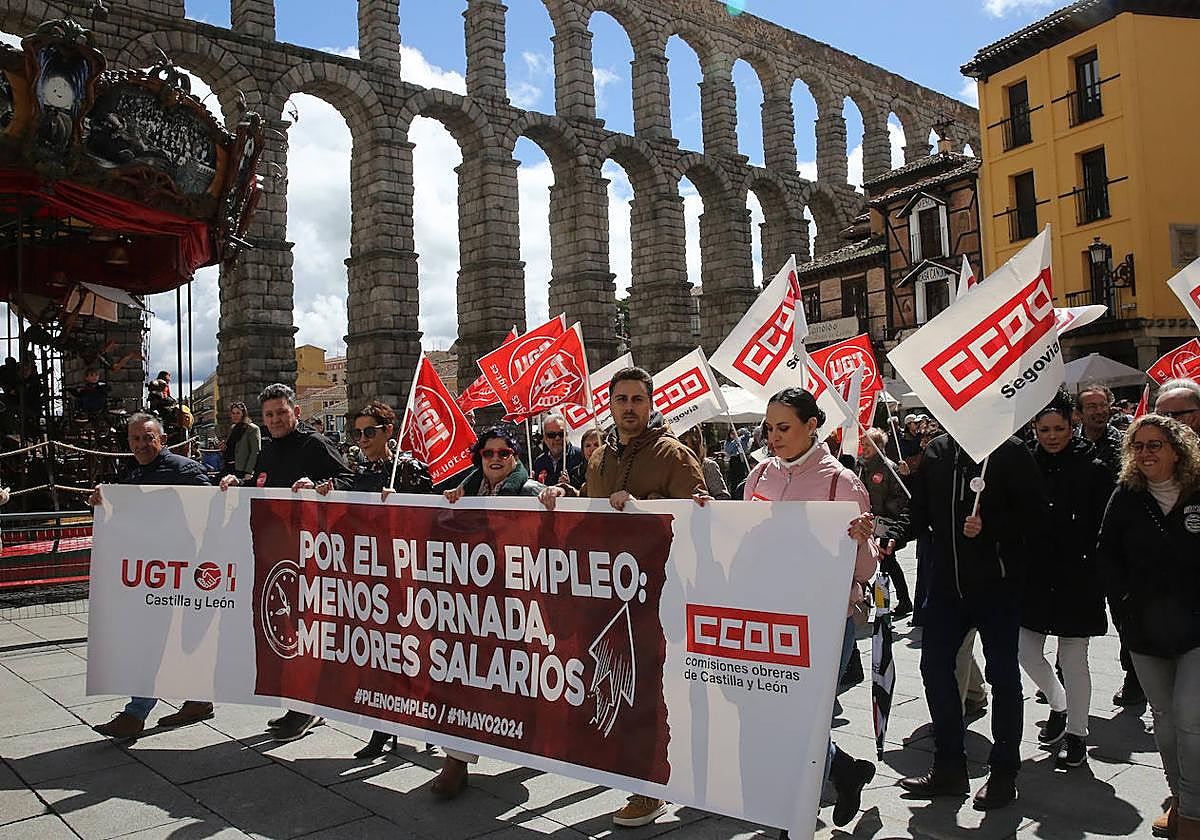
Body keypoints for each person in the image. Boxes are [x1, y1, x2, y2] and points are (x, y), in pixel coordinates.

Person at [540, 366, 705, 828]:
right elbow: (592, 505)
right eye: (621, 399)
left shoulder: (673, 455)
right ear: (610, 405)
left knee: (649, 694)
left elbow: (701, 517)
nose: (629, 407)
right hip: (611, 598)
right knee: (623, 690)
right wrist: (562, 492)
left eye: (637, 399)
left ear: (651, 405)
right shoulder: (599, 457)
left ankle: (649, 789)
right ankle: (639, 774)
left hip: (659, 596)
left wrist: (641, 506)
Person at [741, 388, 879, 831]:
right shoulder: (759, 475)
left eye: (784, 427)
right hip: (771, 614)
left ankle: (793, 819)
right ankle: (844, 771)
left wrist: (861, 539)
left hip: (825, 620)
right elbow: (743, 538)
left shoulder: (841, 481)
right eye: (769, 428)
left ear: (811, 425)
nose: (774, 436)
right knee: (782, 718)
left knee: (804, 719)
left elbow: (867, 566)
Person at [897, 429, 1048, 809]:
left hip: (998, 586)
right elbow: (918, 513)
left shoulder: (1010, 452)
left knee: (1003, 678)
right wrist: (890, 536)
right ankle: (949, 765)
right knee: (934, 668)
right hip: (948, 586)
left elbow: (1037, 518)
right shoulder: (937, 451)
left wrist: (991, 526)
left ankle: (1003, 772)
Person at [218, 383, 355, 741]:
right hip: (279, 556)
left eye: (282, 412)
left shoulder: (315, 444)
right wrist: (237, 483)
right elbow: (263, 490)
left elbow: (350, 479)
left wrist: (323, 484)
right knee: (289, 634)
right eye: (269, 414)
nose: (276, 419)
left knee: (308, 633)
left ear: (296, 412)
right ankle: (301, 702)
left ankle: (306, 708)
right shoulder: (267, 450)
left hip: (313, 555)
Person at [308, 400, 433, 759]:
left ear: (388, 431)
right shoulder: (358, 470)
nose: (362, 439)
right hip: (373, 576)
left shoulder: (410, 470)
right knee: (380, 654)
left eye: (369, 432)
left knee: (414, 651)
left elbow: (432, 516)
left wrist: (403, 501)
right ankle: (382, 727)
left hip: (409, 573)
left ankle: (427, 722)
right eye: (357, 433)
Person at [1098, 414, 1200, 839]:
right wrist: (1123, 606)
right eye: (1138, 446)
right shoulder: (1126, 495)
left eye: (1155, 444)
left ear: (1177, 449)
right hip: (1144, 630)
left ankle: (1193, 816)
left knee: (1190, 716)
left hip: (1197, 628)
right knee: (1164, 719)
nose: (1145, 453)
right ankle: (1179, 798)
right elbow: (1106, 554)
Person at [432, 425, 544, 797]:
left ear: (515, 457)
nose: (495, 459)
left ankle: (543, 738)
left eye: (504, 453)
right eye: (488, 453)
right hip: (476, 607)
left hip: (520, 603)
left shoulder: (531, 492)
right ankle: (457, 760)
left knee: (527, 679)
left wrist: (558, 495)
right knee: (468, 675)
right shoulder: (463, 493)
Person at [90, 413, 214, 739]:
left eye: (148, 438)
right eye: (135, 439)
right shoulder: (130, 471)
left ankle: (136, 712)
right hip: (151, 572)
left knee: (152, 642)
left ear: (162, 439)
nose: (142, 444)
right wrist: (102, 504)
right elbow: (125, 517)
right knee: (166, 640)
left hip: (182, 570)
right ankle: (199, 700)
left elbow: (212, 506)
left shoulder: (183, 469)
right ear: (128, 443)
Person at [1018, 389, 1112, 768]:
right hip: (1036, 576)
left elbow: (1106, 523)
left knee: (1075, 661)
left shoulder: (1095, 466)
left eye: (1059, 428)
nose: (1052, 436)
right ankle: (1058, 703)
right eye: (1045, 429)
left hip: (1079, 577)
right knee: (1026, 652)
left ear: (1071, 426)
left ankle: (1077, 732)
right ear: (1035, 429)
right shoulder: (1025, 465)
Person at [858, 427, 913, 618]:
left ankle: (896, 602)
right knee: (881, 561)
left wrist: (886, 511)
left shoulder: (890, 468)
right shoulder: (862, 466)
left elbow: (900, 497)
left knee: (887, 562)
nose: (863, 448)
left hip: (887, 523)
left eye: (868, 445)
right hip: (870, 521)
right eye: (862, 444)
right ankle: (883, 600)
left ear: (878, 446)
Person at [531, 413, 586, 491]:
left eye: (561, 434)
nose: (557, 438)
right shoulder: (539, 461)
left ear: (566, 435)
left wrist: (569, 488)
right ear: (545, 438)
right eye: (551, 435)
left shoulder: (581, 456)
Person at [680, 426, 730, 500]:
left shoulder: (707, 466)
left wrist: (711, 501)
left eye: (684, 443)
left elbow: (723, 497)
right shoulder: (669, 466)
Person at [221, 401, 260, 481]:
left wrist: (249, 472)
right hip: (228, 467)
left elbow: (255, 452)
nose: (235, 416)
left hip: (241, 470)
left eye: (238, 413)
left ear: (243, 413)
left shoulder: (252, 429)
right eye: (233, 413)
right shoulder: (232, 428)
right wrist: (224, 448)